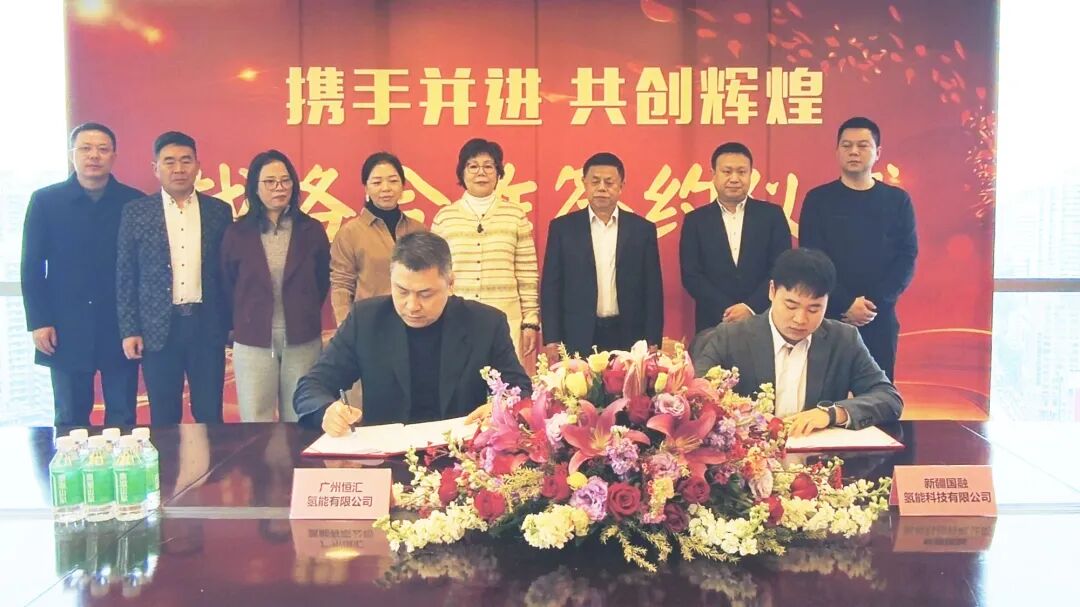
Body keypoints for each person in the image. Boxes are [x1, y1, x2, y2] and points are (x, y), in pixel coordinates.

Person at [294, 231, 531, 436]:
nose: (412, 306)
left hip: (461, 458)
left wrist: (502, 408)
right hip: (387, 457)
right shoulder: (366, 320)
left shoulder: (485, 324)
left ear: (450, 283)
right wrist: (327, 411)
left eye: (425, 294)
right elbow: (311, 386)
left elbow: (521, 391)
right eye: (401, 291)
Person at [692, 248, 902, 436]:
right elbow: (695, 398)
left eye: (814, 309)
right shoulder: (730, 337)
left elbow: (889, 398)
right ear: (772, 291)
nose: (800, 319)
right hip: (750, 459)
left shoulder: (843, 339)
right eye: (791, 306)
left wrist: (831, 413)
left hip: (816, 459)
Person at [21, 122, 145, 426]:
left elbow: (144, 269)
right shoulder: (46, 201)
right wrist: (39, 321)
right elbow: (32, 266)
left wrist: (140, 324)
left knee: (123, 416)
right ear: (71, 155)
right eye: (85, 149)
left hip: (120, 325)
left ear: (114, 156)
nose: (94, 156)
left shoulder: (134, 202)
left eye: (103, 149)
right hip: (66, 326)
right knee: (70, 417)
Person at [116, 131, 233, 424]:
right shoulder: (136, 212)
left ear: (197, 166)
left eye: (186, 160)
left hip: (206, 326)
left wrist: (230, 325)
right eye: (169, 162)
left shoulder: (218, 211)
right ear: (155, 168)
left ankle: (211, 458)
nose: (178, 169)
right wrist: (130, 330)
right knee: (164, 416)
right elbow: (126, 274)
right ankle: (168, 458)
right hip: (157, 330)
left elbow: (227, 273)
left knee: (209, 413)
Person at [798, 117, 918, 381]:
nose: (854, 151)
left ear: (878, 152)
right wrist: (845, 303)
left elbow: (906, 258)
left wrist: (872, 305)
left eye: (863, 145)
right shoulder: (818, 199)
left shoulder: (897, 200)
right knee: (826, 393)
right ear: (837, 151)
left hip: (879, 317)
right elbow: (812, 259)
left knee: (879, 392)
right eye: (847, 145)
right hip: (830, 315)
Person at [221, 150, 330, 422]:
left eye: (285, 180)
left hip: (302, 337)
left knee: (299, 414)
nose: (279, 187)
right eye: (270, 182)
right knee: (255, 416)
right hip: (253, 338)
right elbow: (227, 283)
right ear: (255, 188)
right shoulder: (237, 233)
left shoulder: (312, 230)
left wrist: (302, 310)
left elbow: (321, 280)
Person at [540, 152, 663, 357]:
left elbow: (653, 288)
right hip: (577, 333)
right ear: (584, 184)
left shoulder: (642, 229)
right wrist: (552, 338)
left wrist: (653, 339)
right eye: (595, 181)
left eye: (609, 182)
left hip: (629, 333)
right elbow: (551, 287)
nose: (602, 188)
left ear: (621, 186)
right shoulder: (563, 228)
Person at [432, 138, 539, 363]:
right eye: (473, 166)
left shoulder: (515, 215)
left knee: (506, 381)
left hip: (506, 319)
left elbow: (527, 273)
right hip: (456, 318)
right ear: (462, 173)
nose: (481, 172)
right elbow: (435, 273)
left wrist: (530, 320)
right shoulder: (445, 218)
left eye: (488, 166)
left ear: (498, 173)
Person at [680, 142, 792, 333]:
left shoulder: (772, 215)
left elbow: (781, 268)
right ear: (713, 175)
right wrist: (727, 310)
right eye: (727, 171)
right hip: (713, 322)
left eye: (741, 172)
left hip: (763, 320)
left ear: (751, 174)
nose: (734, 179)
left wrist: (750, 307)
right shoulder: (695, 220)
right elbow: (691, 275)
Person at [329, 151, 427, 326]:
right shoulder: (350, 233)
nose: (386, 188)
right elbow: (342, 286)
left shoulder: (418, 230)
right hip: (370, 324)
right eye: (377, 182)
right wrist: (346, 330)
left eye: (393, 181)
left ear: (403, 185)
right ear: (366, 188)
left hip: (414, 321)